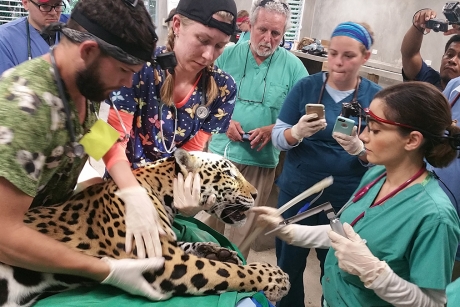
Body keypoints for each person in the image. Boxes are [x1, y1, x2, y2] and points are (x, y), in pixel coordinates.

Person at [0, 0, 176, 300]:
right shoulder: (26, 108)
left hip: (43, 219)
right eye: (123, 70)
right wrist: (104, 269)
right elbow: (5, 234)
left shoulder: (82, 84)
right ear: (88, 50)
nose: (127, 83)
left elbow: (95, 134)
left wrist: (131, 189)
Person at [253, 81, 460, 307]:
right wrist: (292, 231)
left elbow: (433, 303)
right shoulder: (377, 175)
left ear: (412, 140)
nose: (362, 136)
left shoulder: (435, 218)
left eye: (375, 129)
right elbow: (347, 233)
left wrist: (376, 275)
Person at [270, 21, 381, 307]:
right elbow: (277, 137)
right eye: (333, 54)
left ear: (365, 57)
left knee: (337, 267)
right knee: (288, 266)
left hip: (347, 198)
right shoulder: (305, 87)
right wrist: (296, 133)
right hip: (298, 193)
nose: (338, 62)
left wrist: (361, 149)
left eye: (349, 56)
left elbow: (382, 157)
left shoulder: (376, 98)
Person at [199, 0, 307, 259]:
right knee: (203, 231)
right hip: (218, 159)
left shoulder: (294, 68)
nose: (268, 39)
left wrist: (273, 129)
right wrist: (224, 120)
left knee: (239, 240)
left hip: (259, 163)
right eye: (262, 30)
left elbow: (304, 117)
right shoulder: (226, 55)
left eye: (276, 33)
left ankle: (230, 292)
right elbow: (200, 99)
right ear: (250, 26)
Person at [106, 0, 237, 211]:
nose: (208, 56)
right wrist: (134, 193)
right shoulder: (139, 68)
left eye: (220, 46)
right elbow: (110, 140)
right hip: (121, 185)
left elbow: (191, 153)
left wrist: (185, 202)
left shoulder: (223, 88)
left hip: (167, 192)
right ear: (176, 25)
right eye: (203, 40)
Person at [0, 0, 69, 74]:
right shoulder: (5, 39)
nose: (53, 12)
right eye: (45, 6)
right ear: (25, 3)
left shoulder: (71, 26)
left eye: (58, 5)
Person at [400, 8, 460, 90]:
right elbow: (410, 55)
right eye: (449, 55)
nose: (452, 60)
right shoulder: (429, 80)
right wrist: (419, 25)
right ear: (442, 58)